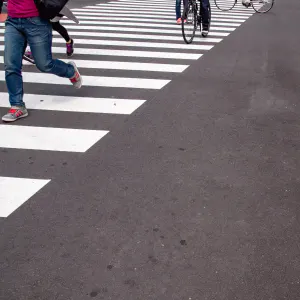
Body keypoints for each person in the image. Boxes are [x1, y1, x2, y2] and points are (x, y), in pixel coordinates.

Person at [0, 0, 82, 122]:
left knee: (44, 64)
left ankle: (70, 71)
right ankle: (17, 105)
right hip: (13, 20)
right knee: (11, 64)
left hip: (37, 20)